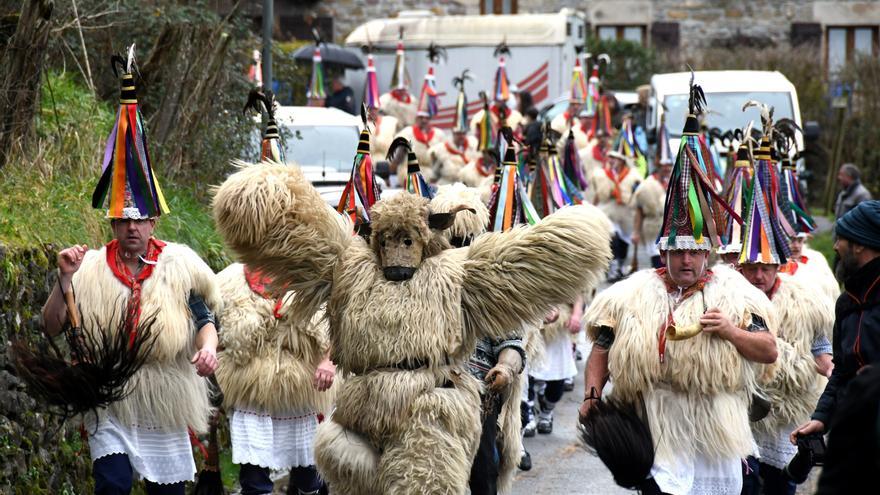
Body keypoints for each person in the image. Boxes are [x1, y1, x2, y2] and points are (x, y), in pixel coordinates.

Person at [40, 57, 221, 495]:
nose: (132, 228)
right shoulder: (89, 268)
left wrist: (208, 349)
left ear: (154, 222)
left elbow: (203, 320)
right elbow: (51, 326)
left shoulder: (178, 266)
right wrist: (63, 280)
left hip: (164, 402)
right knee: (113, 484)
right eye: (123, 220)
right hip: (112, 402)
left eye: (140, 220)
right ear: (113, 223)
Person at [581, 102, 778, 495]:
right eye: (678, 252)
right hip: (657, 426)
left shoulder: (736, 292)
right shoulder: (630, 294)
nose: (686, 260)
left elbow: (769, 350)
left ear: (706, 253)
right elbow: (601, 348)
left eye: (694, 252)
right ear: (664, 252)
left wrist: (730, 331)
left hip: (716, 427)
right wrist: (592, 395)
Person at [736, 155, 834, 495]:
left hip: (785, 411)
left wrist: (833, 371)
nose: (758, 275)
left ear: (779, 266)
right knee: (744, 483)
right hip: (740, 410)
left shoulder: (805, 301)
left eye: (766, 268)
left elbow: (820, 347)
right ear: (740, 268)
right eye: (751, 268)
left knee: (781, 484)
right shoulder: (727, 298)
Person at [215, 263, 335, 495]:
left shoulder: (313, 276)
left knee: (309, 477)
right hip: (250, 387)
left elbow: (340, 322)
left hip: (302, 387)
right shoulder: (230, 281)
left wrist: (329, 361)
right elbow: (211, 326)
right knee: (254, 477)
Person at [791, 200, 880, 449]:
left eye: (840, 238)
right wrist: (822, 417)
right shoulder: (846, 302)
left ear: (859, 245)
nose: (835, 246)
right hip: (855, 433)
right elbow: (842, 371)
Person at [591, 150, 641, 280]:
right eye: (610, 157)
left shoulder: (633, 176)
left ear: (622, 160)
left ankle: (620, 266)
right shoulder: (603, 175)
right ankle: (612, 268)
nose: (612, 160)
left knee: (624, 242)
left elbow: (637, 195)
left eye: (615, 158)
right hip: (608, 212)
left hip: (626, 214)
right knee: (613, 239)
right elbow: (598, 194)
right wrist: (592, 208)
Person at [632, 155, 672, 269]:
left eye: (669, 165)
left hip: (672, 230)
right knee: (659, 265)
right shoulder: (646, 186)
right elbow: (639, 210)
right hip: (653, 229)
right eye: (664, 165)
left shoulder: (674, 181)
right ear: (658, 166)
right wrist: (636, 232)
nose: (667, 168)